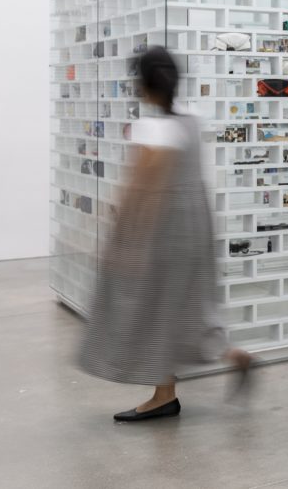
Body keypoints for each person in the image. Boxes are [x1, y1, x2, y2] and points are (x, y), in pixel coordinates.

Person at [79, 46, 253, 422]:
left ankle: (165, 395)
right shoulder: (190, 121)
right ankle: (219, 363)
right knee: (183, 309)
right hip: (194, 228)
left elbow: (142, 187)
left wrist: (123, 240)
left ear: (143, 85)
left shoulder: (153, 128)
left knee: (149, 309)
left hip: (163, 232)